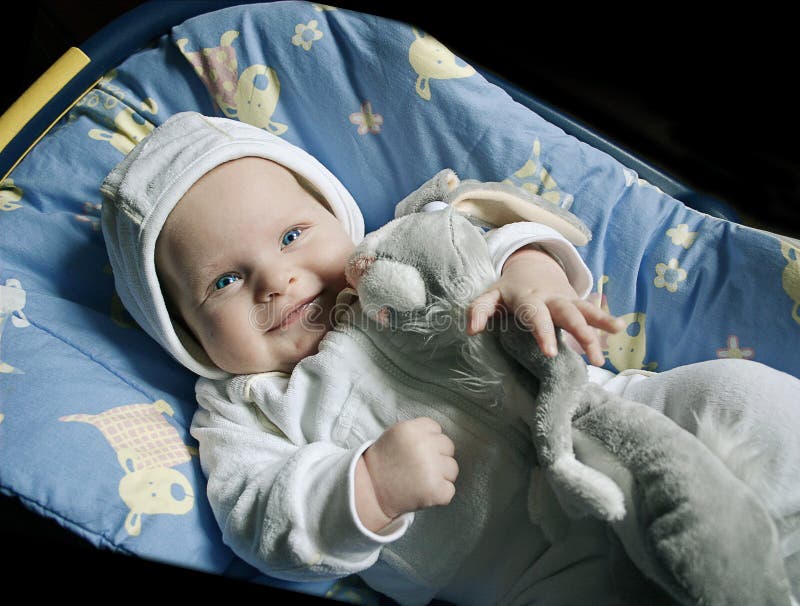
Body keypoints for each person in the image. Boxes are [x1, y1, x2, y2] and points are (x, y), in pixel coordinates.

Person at [101, 112, 800, 605]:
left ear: (336, 217)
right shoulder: (241, 414)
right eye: (224, 281)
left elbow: (490, 240)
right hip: (531, 575)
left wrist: (533, 278)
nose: (274, 280)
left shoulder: (400, 247)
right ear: (185, 333)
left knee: (740, 399)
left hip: (620, 421)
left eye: (291, 234)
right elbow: (261, 519)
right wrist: (363, 490)